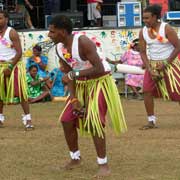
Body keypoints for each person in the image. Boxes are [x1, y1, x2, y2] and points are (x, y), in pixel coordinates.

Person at [48, 15, 127, 177]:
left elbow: (98, 68)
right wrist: (75, 98)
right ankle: (75, 158)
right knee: (66, 120)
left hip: (100, 82)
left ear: (63, 32)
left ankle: (103, 164)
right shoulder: (58, 48)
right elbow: (69, 73)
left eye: (52, 32)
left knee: (94, 122)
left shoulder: (82, 42)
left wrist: (73, 74)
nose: (49, 35)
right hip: (81, 84)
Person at [139, 4, 180, 130]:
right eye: (143, 18)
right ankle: (151, 121)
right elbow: (142, 52)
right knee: (146, 91)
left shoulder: (166, 28)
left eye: (147, 18)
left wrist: (166, 63)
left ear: (155, 17)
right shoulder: (143, 31)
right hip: (153, 65)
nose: (144, 21)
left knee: (177, 93)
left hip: (170, 64)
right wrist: (149, 68)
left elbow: (178, 47)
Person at [0, 10, 33, 129]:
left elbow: (19, 52)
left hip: (13, 66)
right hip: (1, 67)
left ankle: (28, 119)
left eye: (1, 18)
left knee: (21, 93)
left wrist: (10, 66)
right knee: (0, 94)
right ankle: (0, 119)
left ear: (6, 19)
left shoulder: (11, 32)